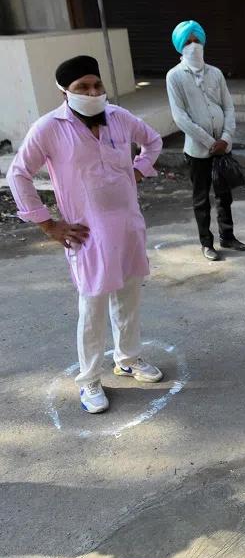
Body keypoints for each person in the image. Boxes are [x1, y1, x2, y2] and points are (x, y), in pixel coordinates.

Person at [6, 56, 164, 413]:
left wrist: (138, 170)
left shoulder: (119, 117)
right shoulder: (49, 127)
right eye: (82, 87)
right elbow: (19, 173)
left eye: (97, 85)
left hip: (128, 225)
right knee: (92, 307)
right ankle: (89, 380)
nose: (92, 92)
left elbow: (152, 141)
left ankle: (127, 359)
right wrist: (48, 223)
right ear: (65, 92)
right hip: (87, 233)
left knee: (129, 298)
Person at [166, 20, 245, 262]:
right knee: (201, 198)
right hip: (198, 150)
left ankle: (228, 236)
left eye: (196, 41)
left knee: (224, 195)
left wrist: (225, 137)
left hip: (223, 147)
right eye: (188, 42)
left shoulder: (216, 73)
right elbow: (180, 117)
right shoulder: (175, 76)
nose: (193, 46)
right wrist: (208, 140)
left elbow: (228, 106)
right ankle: (206, 243)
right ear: (180, 47)